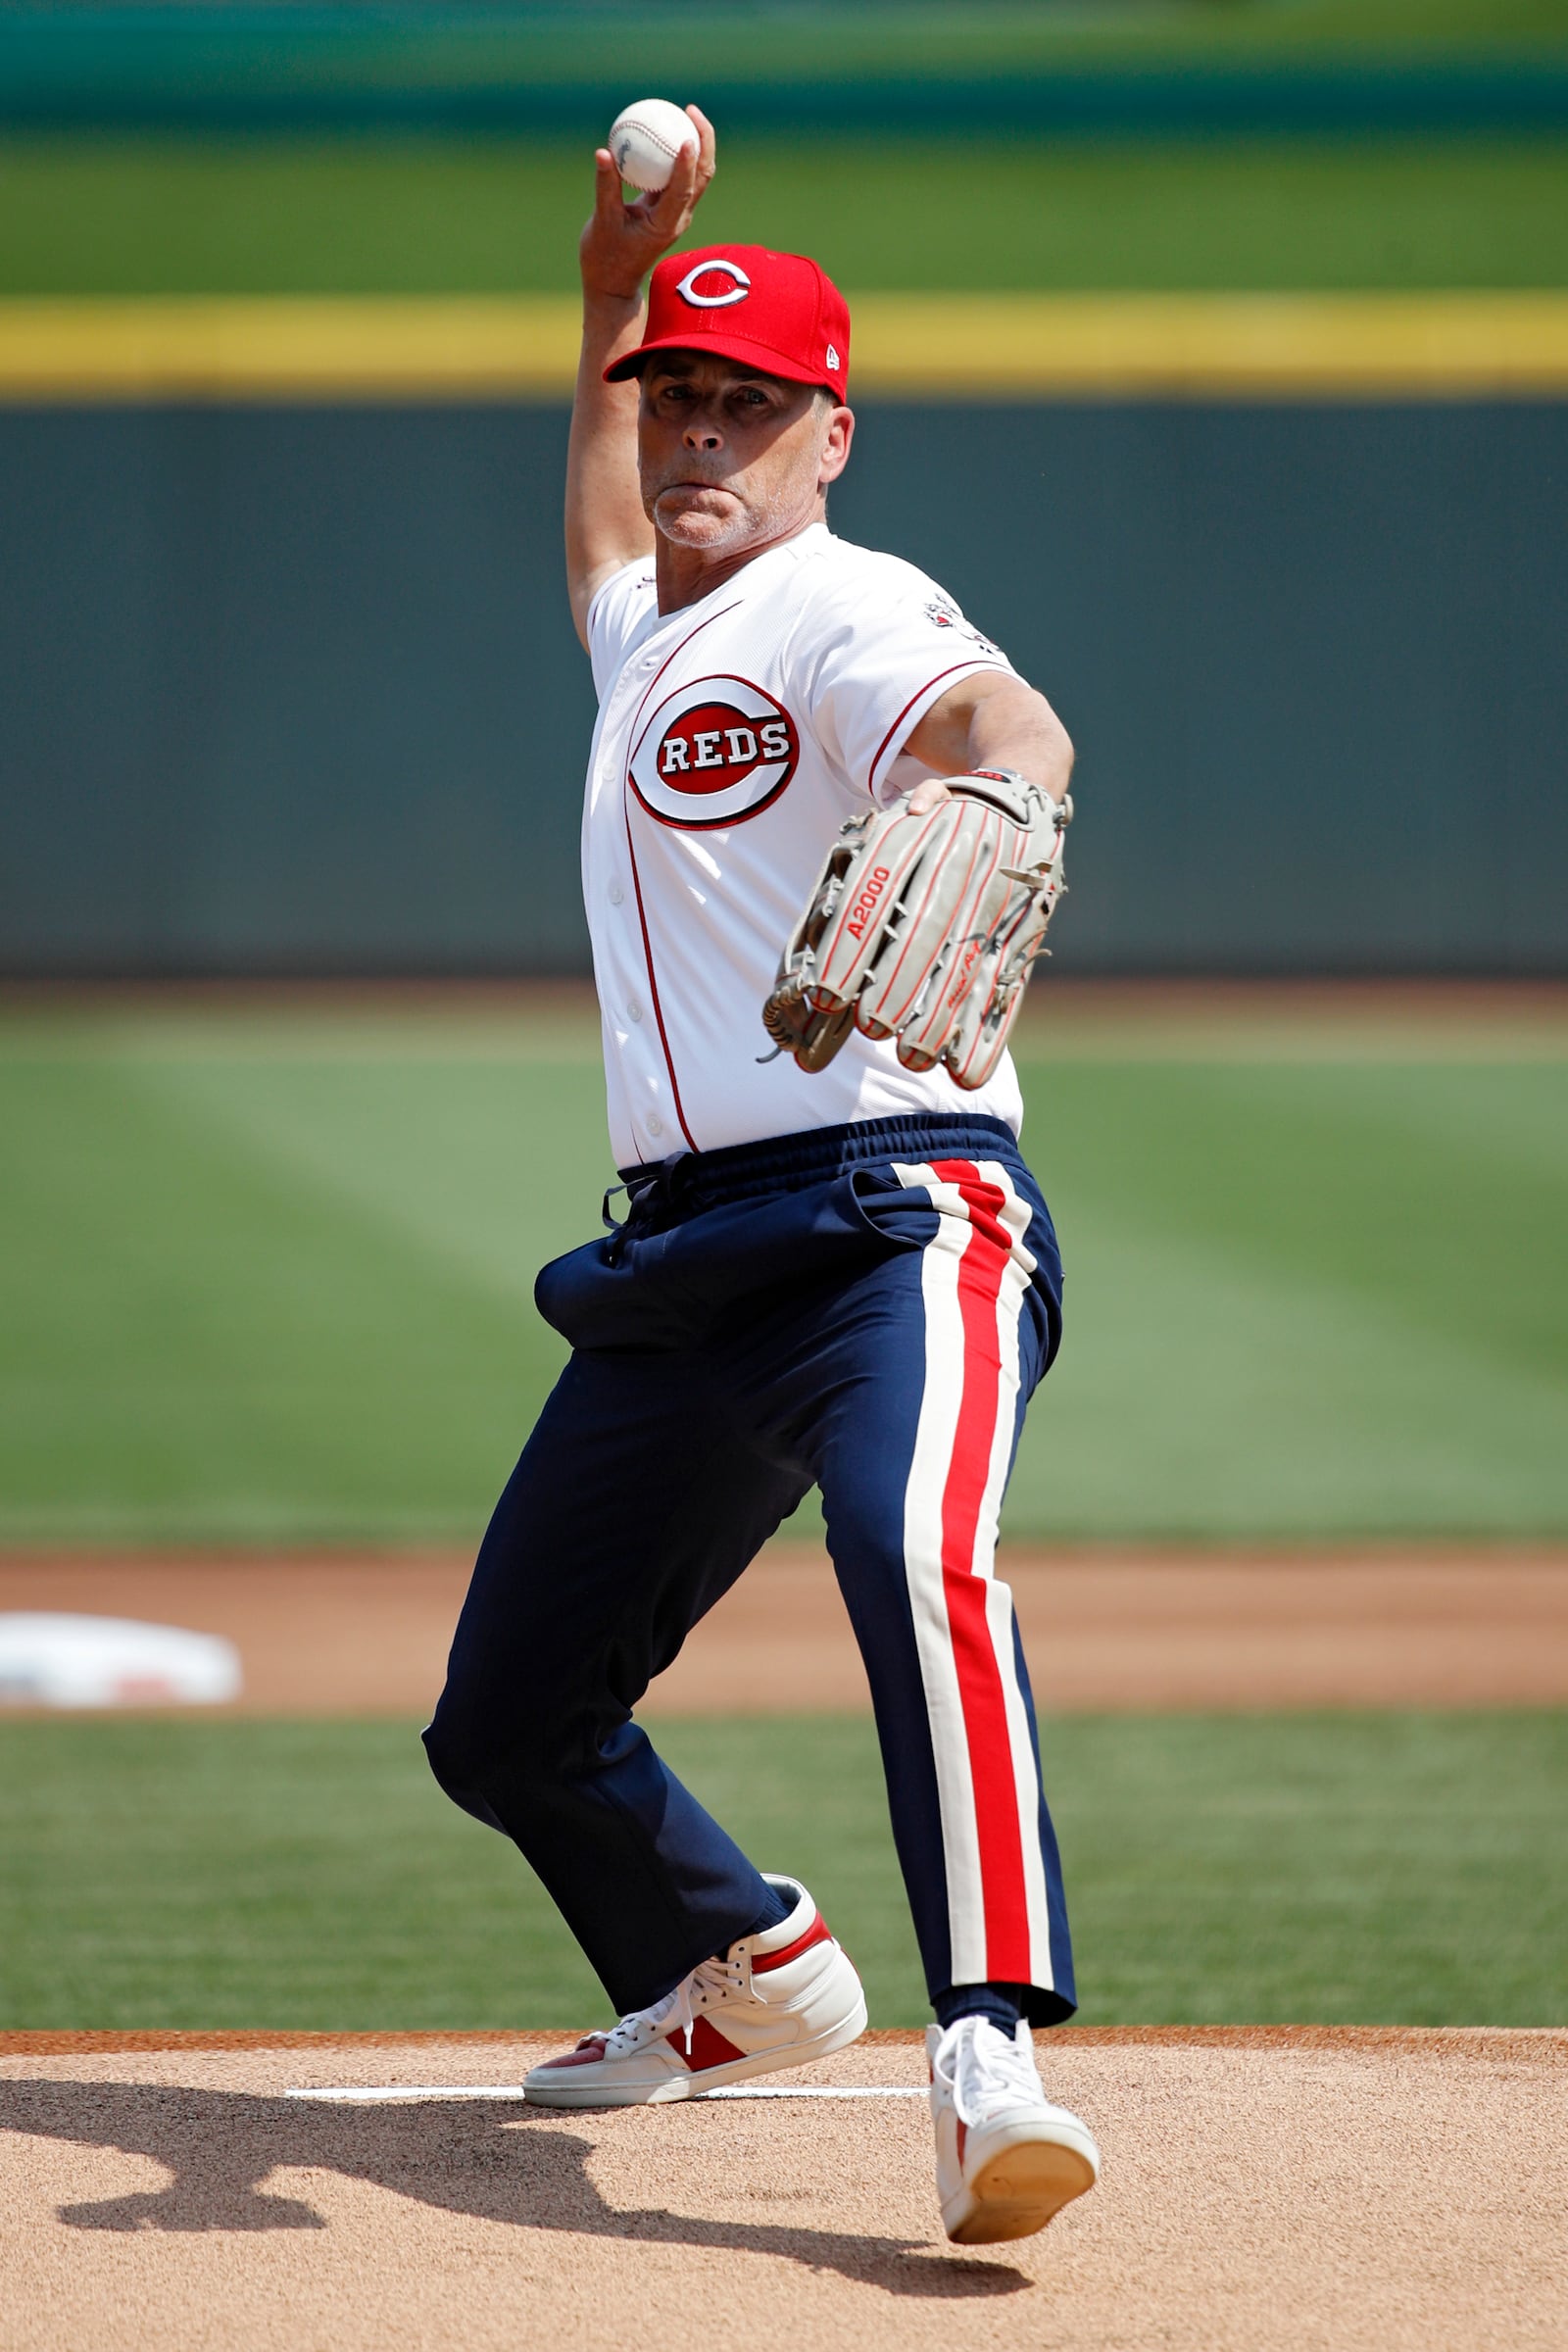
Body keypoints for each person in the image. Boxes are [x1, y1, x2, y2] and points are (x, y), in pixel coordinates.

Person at [423, 106, 1100, 2248]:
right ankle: (739, 1966)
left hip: (892, 1213)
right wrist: (614, 270)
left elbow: (1003, 721)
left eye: (749, 402)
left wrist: (1003, 803)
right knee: (507, 1719)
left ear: (831, 435)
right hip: (682, 1262)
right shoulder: (641, 624)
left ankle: (983, 2049)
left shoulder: (844, 601)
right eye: (678, 398)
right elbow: (607, 437)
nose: (700, 430)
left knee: (914, 1562)